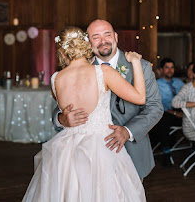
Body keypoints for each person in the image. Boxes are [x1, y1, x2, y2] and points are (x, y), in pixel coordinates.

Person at [22, 26, 147, 201]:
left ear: (63, 51)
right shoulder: (103, 72)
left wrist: (62, 119)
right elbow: (140, 98)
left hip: (66, 151)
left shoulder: (55, 79)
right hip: (102, 148)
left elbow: (64, 108)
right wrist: (135, 62)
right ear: (85, 45)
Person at [52, 19, 163, 179]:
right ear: (87, 43)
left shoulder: (141, 66)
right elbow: (59, 108)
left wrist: (128, 131)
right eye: (96, 36)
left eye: (107, 34)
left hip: (132, 150)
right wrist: (62, 119)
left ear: (116, 37)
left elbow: (155, 107)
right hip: (87, 155)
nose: (103, 41)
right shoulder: (77, 69)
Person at [149, 58, 184, 166]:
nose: (170, 70)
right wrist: (174, 113)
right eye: (167, 68)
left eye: (172, 67)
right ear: (161, 70)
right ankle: (166, 152)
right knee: (162, 118)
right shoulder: (156, 84)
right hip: (166, 112)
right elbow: (157, 104)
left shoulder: (179, 83)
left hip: (184, 112)